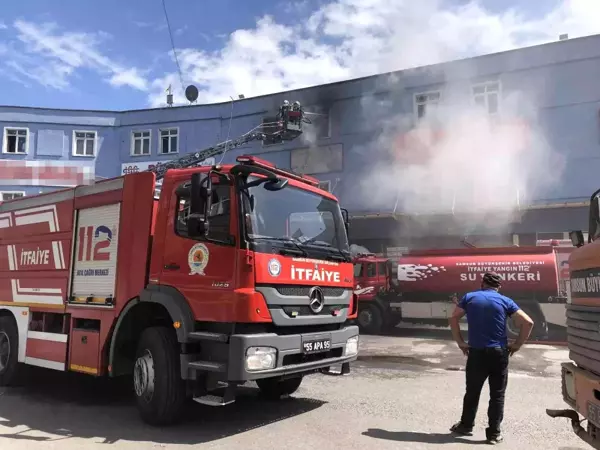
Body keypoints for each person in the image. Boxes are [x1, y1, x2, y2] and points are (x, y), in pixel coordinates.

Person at [448, 271, 534, 445]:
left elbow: (453, 317)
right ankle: (494, 434)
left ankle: (466, 426)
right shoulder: (505, 301)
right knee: (497, 395)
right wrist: (517, 345)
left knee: (472, 391)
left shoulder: (469, 297)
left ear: (482, 284)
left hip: (477, 353)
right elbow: (528, 322)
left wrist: (460, 342)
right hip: (498, 353)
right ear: (499, 286)